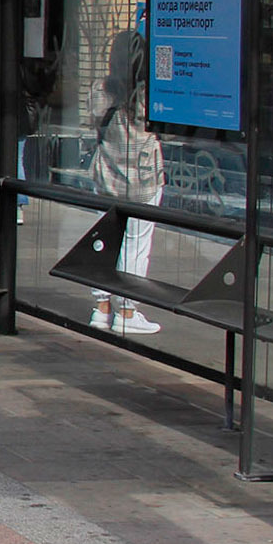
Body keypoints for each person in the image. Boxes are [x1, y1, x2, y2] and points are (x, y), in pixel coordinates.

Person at [89, 27, 165, 336]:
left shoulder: (99, 90)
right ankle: (128, 310)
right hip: (143, 180)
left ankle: (101, 308)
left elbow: (95, 121)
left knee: (105, 242)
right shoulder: (147, 96)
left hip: (106, 176)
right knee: (136, 246)